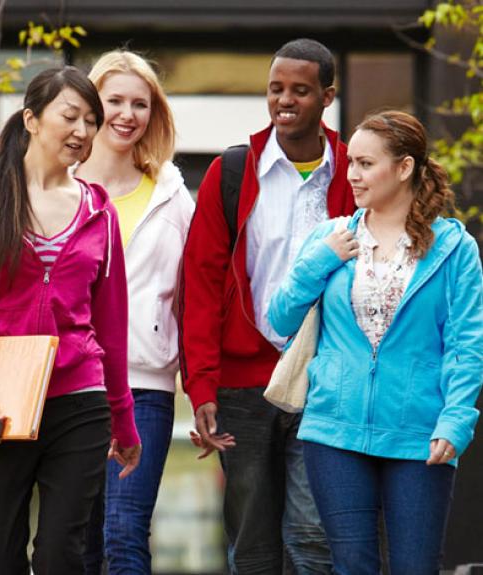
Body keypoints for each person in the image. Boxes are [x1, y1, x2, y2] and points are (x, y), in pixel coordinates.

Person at [268, 110, 483, 575]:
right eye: (351, 163)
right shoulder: (332, 236)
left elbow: (466, 344)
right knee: (351, 566)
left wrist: (456, 421)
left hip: (419, 434)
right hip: (334, 430)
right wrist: (318, 263)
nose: (353, 175)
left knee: (415, 566)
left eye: (366, 164)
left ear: (404, 168)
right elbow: (280, 317)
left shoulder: (453, 248)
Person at [179, 38, 355, 574]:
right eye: (276, 89)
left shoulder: (355, 173)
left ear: (327, 96)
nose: (285, 100)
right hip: (242, 384)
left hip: (323, 379)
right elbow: (201, 285)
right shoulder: (230, 173)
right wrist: (202, 385)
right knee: (251, 543)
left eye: (300, 91)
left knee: (312, 536)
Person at [0, 66, 141, 575]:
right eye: (70, 116)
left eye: (91, 121)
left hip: (80, 398)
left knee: (61, 554)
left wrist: (124, 417)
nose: (83, 131)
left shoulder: (99, 212)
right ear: (31, 119)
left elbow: (111, 325)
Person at [76, 50, 195, 574]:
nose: (127, 114)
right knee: (75, 540)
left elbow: (194, 296)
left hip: (145, 387)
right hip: (69, 386)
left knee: (124, 533)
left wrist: (202, 385)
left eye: (140, 104)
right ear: (90, 106)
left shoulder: (174, 197)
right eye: (115, 100)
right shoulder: (60, 189)